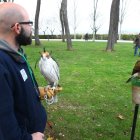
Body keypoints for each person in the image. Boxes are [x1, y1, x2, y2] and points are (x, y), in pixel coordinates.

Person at [0, 2, 47, 140]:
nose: (31, 28)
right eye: (29, 23)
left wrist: (36, 91)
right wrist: (29, 138)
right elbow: (3, 123)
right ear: (17, 27)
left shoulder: (16, 54)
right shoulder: (2, 64)